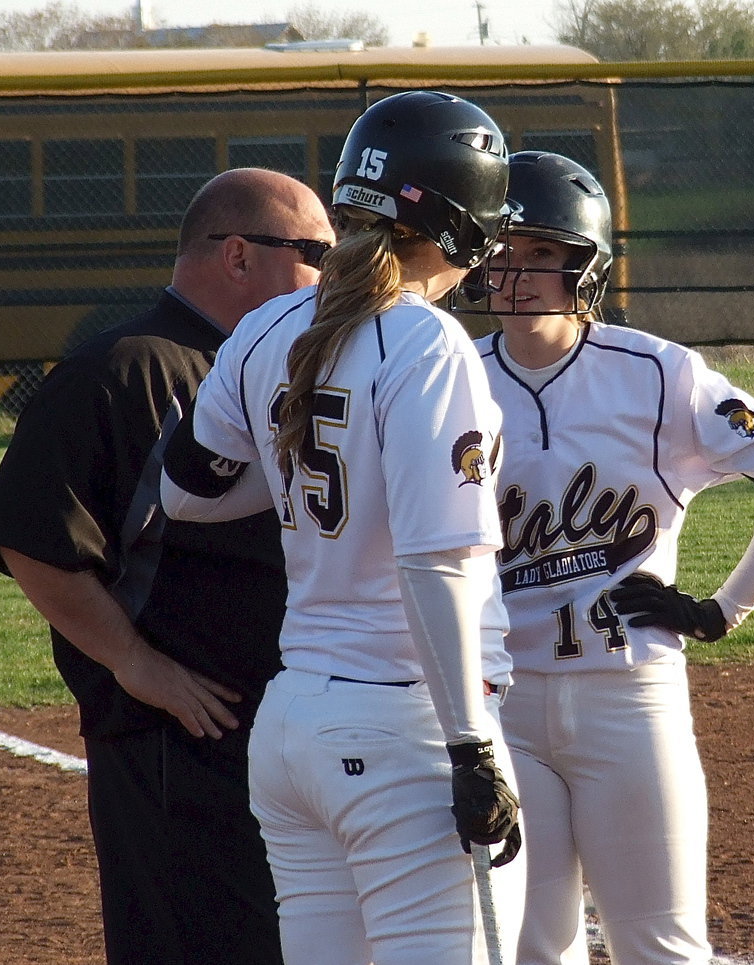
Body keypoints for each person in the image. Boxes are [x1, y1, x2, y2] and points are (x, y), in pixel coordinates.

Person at [158, 90, 525, 965]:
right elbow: (438, 562)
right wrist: (470, 747)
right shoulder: (427, 341)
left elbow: (185, 493)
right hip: (405, 722)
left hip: (294, 725)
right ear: (463, 221)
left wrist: (302, 482)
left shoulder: (267, 324)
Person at [461, 150, 754, 965]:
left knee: (660, 945)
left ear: (585, 265)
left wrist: (721, 609)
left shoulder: (657, 372)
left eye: (540, 252)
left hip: (628, 697)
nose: (515, 271)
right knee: (529, 947)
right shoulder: (454, 377)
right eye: (503, 250)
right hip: (503, 706)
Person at [0, 168, 335, 964]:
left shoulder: (273, 369)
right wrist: (134, 661)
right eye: (316, 253)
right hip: (177, 748)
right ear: (238, 256)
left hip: (277, 734)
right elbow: (32, 535)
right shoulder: (127, 368)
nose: (331, 275)